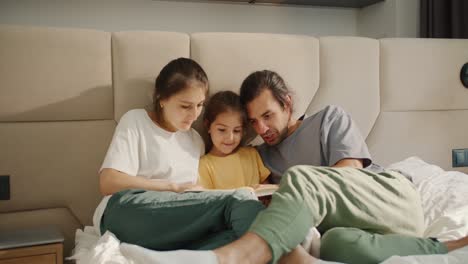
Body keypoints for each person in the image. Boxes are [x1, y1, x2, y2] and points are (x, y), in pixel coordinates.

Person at [213, 70, 468, 264]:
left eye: (267, 116)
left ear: (287, 104)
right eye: (254, 122)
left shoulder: (329, 119)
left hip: (391, 200)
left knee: (300, 177)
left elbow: (349, 173)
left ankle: (246, 253)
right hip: (361, 229)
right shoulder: (260, 157)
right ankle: (446, 247)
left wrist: (288, 189)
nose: (262, 129)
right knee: (333, 245)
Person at [95, 58, 264, 251]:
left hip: (175, 224)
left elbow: (193, 202)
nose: (194, 115)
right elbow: (108, 182)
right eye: (185, 106)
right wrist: (171, 187)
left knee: (243, 217)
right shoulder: (136, 121)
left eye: (200, 105)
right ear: (162, 99)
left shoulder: (195, 141)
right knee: (237, 203)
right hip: (129, 211)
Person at [198, 90, 271, 190]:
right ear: (208, 126)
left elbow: (266, 185)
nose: (230, 138)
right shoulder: (204, 166)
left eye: (236, 131)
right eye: (222, 130)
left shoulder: (251, 154)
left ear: (243, 130)